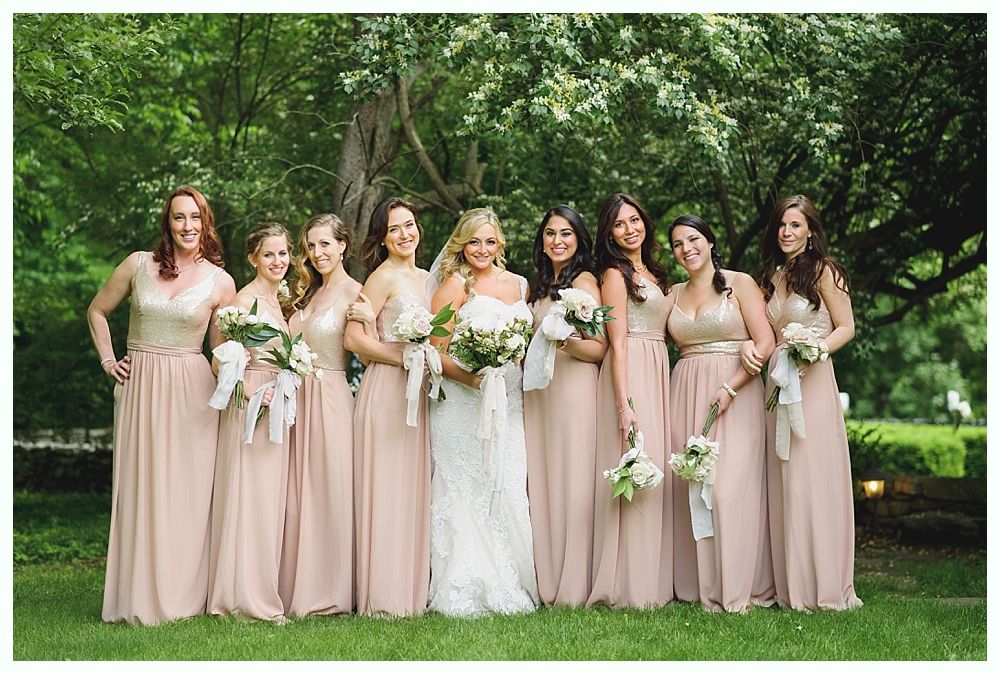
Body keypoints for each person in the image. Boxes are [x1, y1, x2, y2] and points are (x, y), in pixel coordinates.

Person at [87, 186, 236, 625]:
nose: (187, 226)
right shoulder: (138, 264)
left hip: (192, 393)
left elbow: (220, 349)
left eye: (195, 218)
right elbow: (97, 311)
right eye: (179, 218)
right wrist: (108, 360)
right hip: (141, 387)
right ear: (167, 222)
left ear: (205, 223)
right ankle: (135, 597)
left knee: (186, 493)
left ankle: (181, 597)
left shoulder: (221, 282)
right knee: (140, 487)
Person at [743, 194, 863, 611]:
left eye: (795, 225)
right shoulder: (770, 276)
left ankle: (824, 583)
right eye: (781, 226)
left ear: (811, 230)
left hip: (812, 379)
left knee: (813, 476)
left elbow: (846, 326)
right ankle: (789, 584)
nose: (787, 232)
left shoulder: (826, 272)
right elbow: (759, 328)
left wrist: (816, 348)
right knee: (784, 478)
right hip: (777, 379)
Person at [427, 207, 539, 616]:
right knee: (465, 488)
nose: (482, 249)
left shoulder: (521, 285)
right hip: (462, 403)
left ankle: (513, 579)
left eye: (490, 241)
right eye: (474, 241)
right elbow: (434, 353)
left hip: (510, 403)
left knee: (506, 483)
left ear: (500, 244)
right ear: (461, 243)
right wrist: (474, 379)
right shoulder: (454, 286)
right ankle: (464, 581)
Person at [666, 214, 776, 613]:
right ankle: (699, 584)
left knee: (730, 489)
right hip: (686, 390)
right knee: (694, 487)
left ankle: (740, 585)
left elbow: (766, 341)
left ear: (710, 241)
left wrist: (731, 386)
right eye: (678, 243)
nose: (686, 249)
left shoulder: (739, 282)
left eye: (693, 239)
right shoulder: (672, 292)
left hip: (735, 391)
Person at [344, 197, 433, 617]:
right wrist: (403, 357)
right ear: (382, 236)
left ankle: (410, 591)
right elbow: (354, 341)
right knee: (386, 488)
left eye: (410, 225)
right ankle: (383, 597)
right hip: (386, 389)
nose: (405, 234)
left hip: (417, 393)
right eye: (395, 228)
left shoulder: (427, 278)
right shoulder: (380, 278)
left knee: (412, 488)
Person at [587, 193, 674, 609]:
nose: (629, 230)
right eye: (619, 224)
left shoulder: (654, 272)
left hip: (658, 368)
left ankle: (653, 579)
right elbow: (616, 344)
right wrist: (624, 405)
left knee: (653, 470)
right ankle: (627, 584)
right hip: (632, 370)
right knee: (634, 467)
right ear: (609, 232)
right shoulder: (614, 275)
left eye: (635, 220)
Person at [279, 213, 368, 617]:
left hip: (330, 396)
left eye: (325, 244)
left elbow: (368, 348)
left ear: (343, 245)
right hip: (294, 396)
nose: (317, 253)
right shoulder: (304, 294)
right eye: (311, 246)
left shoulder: (357, 293)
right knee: (296, 494)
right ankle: (292, 583)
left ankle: (330, 588)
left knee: (329, 489)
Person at [208, 223, 293, 622]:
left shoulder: (278, 300)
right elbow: (222, 356)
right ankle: (243, 597)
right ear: (253, 259)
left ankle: (260, 586)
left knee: (267, 499)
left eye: (283, 254)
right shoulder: (246, 300)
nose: (278, 261)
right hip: (254, 402)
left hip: (277, 398)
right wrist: (247, 384)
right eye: (269, 254)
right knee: (249, 495)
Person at [523, 205, 606, 607]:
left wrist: (565, 342)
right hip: (538, 392)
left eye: (566, 234)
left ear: (579, 239)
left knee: (573, 479)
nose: (557, 241)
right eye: (551, 233)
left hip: (573, 387)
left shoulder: (586, 283)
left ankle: (574, 581)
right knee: (543, 480)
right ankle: (547, 577)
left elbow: (599, 347)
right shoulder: (538, 287)